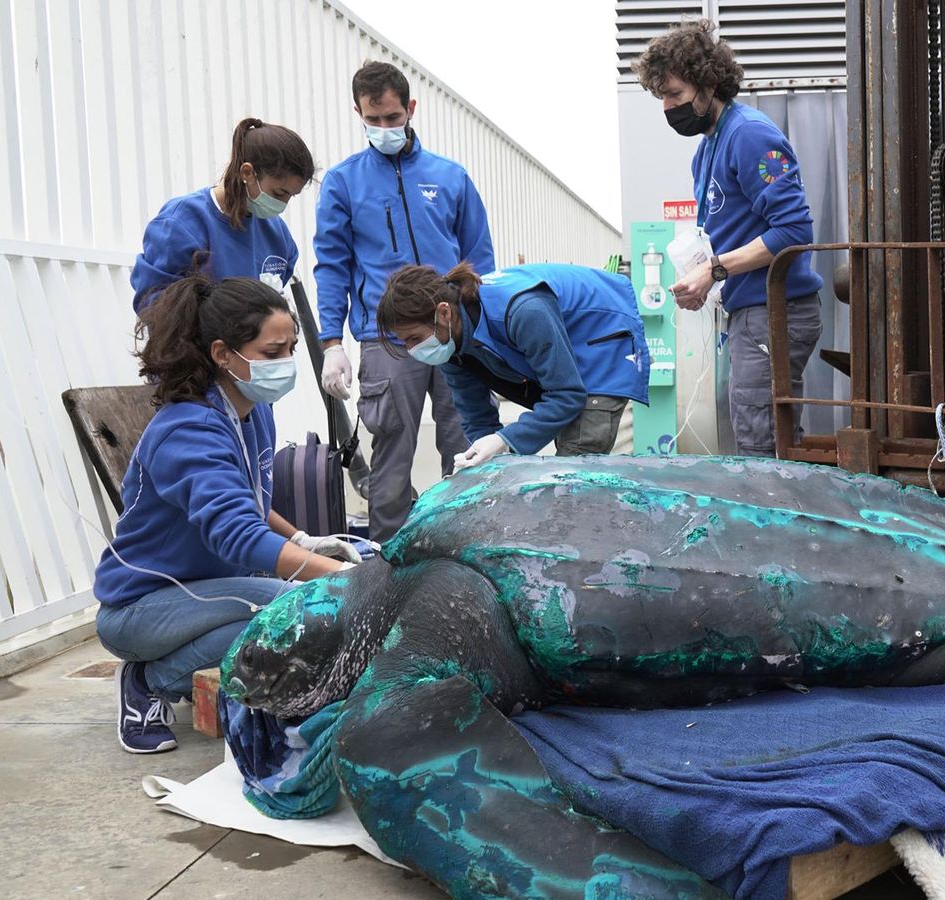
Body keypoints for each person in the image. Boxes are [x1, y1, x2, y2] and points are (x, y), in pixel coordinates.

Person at [93, 275, 361, 754]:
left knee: (283, 611)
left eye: (292, 349)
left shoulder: (251, 410)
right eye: (272, 352)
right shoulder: (187, 431)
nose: (288, 364)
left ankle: (163, 670)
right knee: (293, 609)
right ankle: (149, 680)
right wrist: (343, 577)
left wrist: (303, 541)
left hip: (203, 592)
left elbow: (251, 504)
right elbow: (238, 536)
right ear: (223, 354)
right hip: (142, 607)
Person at [314, 61, 496, 541]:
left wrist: (483, 327)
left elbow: (480, 260)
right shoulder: (343, 182)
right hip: (387, 339)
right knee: (392, 446)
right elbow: (331, 265)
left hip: (454, 332)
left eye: (392, 118)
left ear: (410, 109)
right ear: (358, 112)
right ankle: (387, 555)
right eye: (373, 121)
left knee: (467, 439)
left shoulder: (450, 177)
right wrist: (331, 341)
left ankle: (468, 540)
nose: (384, 129)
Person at [634, 20, 824, 456]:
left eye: (675, 95)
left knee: (761, 443)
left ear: (708, 84)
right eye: (661, 97)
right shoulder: (706, 150)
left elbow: (793, 231)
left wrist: (714, 270)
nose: (667, 107)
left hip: (777, 311)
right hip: (748, 312)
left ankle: (775, 522)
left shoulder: (750, 135)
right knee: (753, 432)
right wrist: (707, 280)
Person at [378, 262, 650, 462]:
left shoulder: (523, 311)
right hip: (560, 343)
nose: (413, 350)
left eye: (414, 338)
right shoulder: (449, 343)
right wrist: (481, 458)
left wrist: (504, 440)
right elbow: (477, 419)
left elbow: (567, 395)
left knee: (575, 465)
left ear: (444, 312)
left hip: (603, 336)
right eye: (406, 342)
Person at [130, 118, 314, 310]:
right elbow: (154, 304)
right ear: (247, 173)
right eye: (278, 193)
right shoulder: (181, 223)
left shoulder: (277, 234)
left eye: (291, 196)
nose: (283, 204)